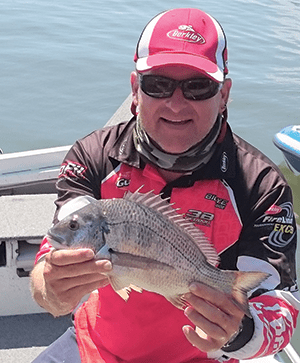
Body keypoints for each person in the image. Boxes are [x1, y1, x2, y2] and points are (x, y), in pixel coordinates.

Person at [30, 8, 299, 363]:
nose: (175, 102)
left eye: (197, 86)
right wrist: (50, 289)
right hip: (93, 348)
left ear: (224, 95)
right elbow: (54, 256)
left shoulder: (259, 185)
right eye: (158, 85)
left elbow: (279, 303)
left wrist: (241, 332)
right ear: (135, 91)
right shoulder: (93, 156)